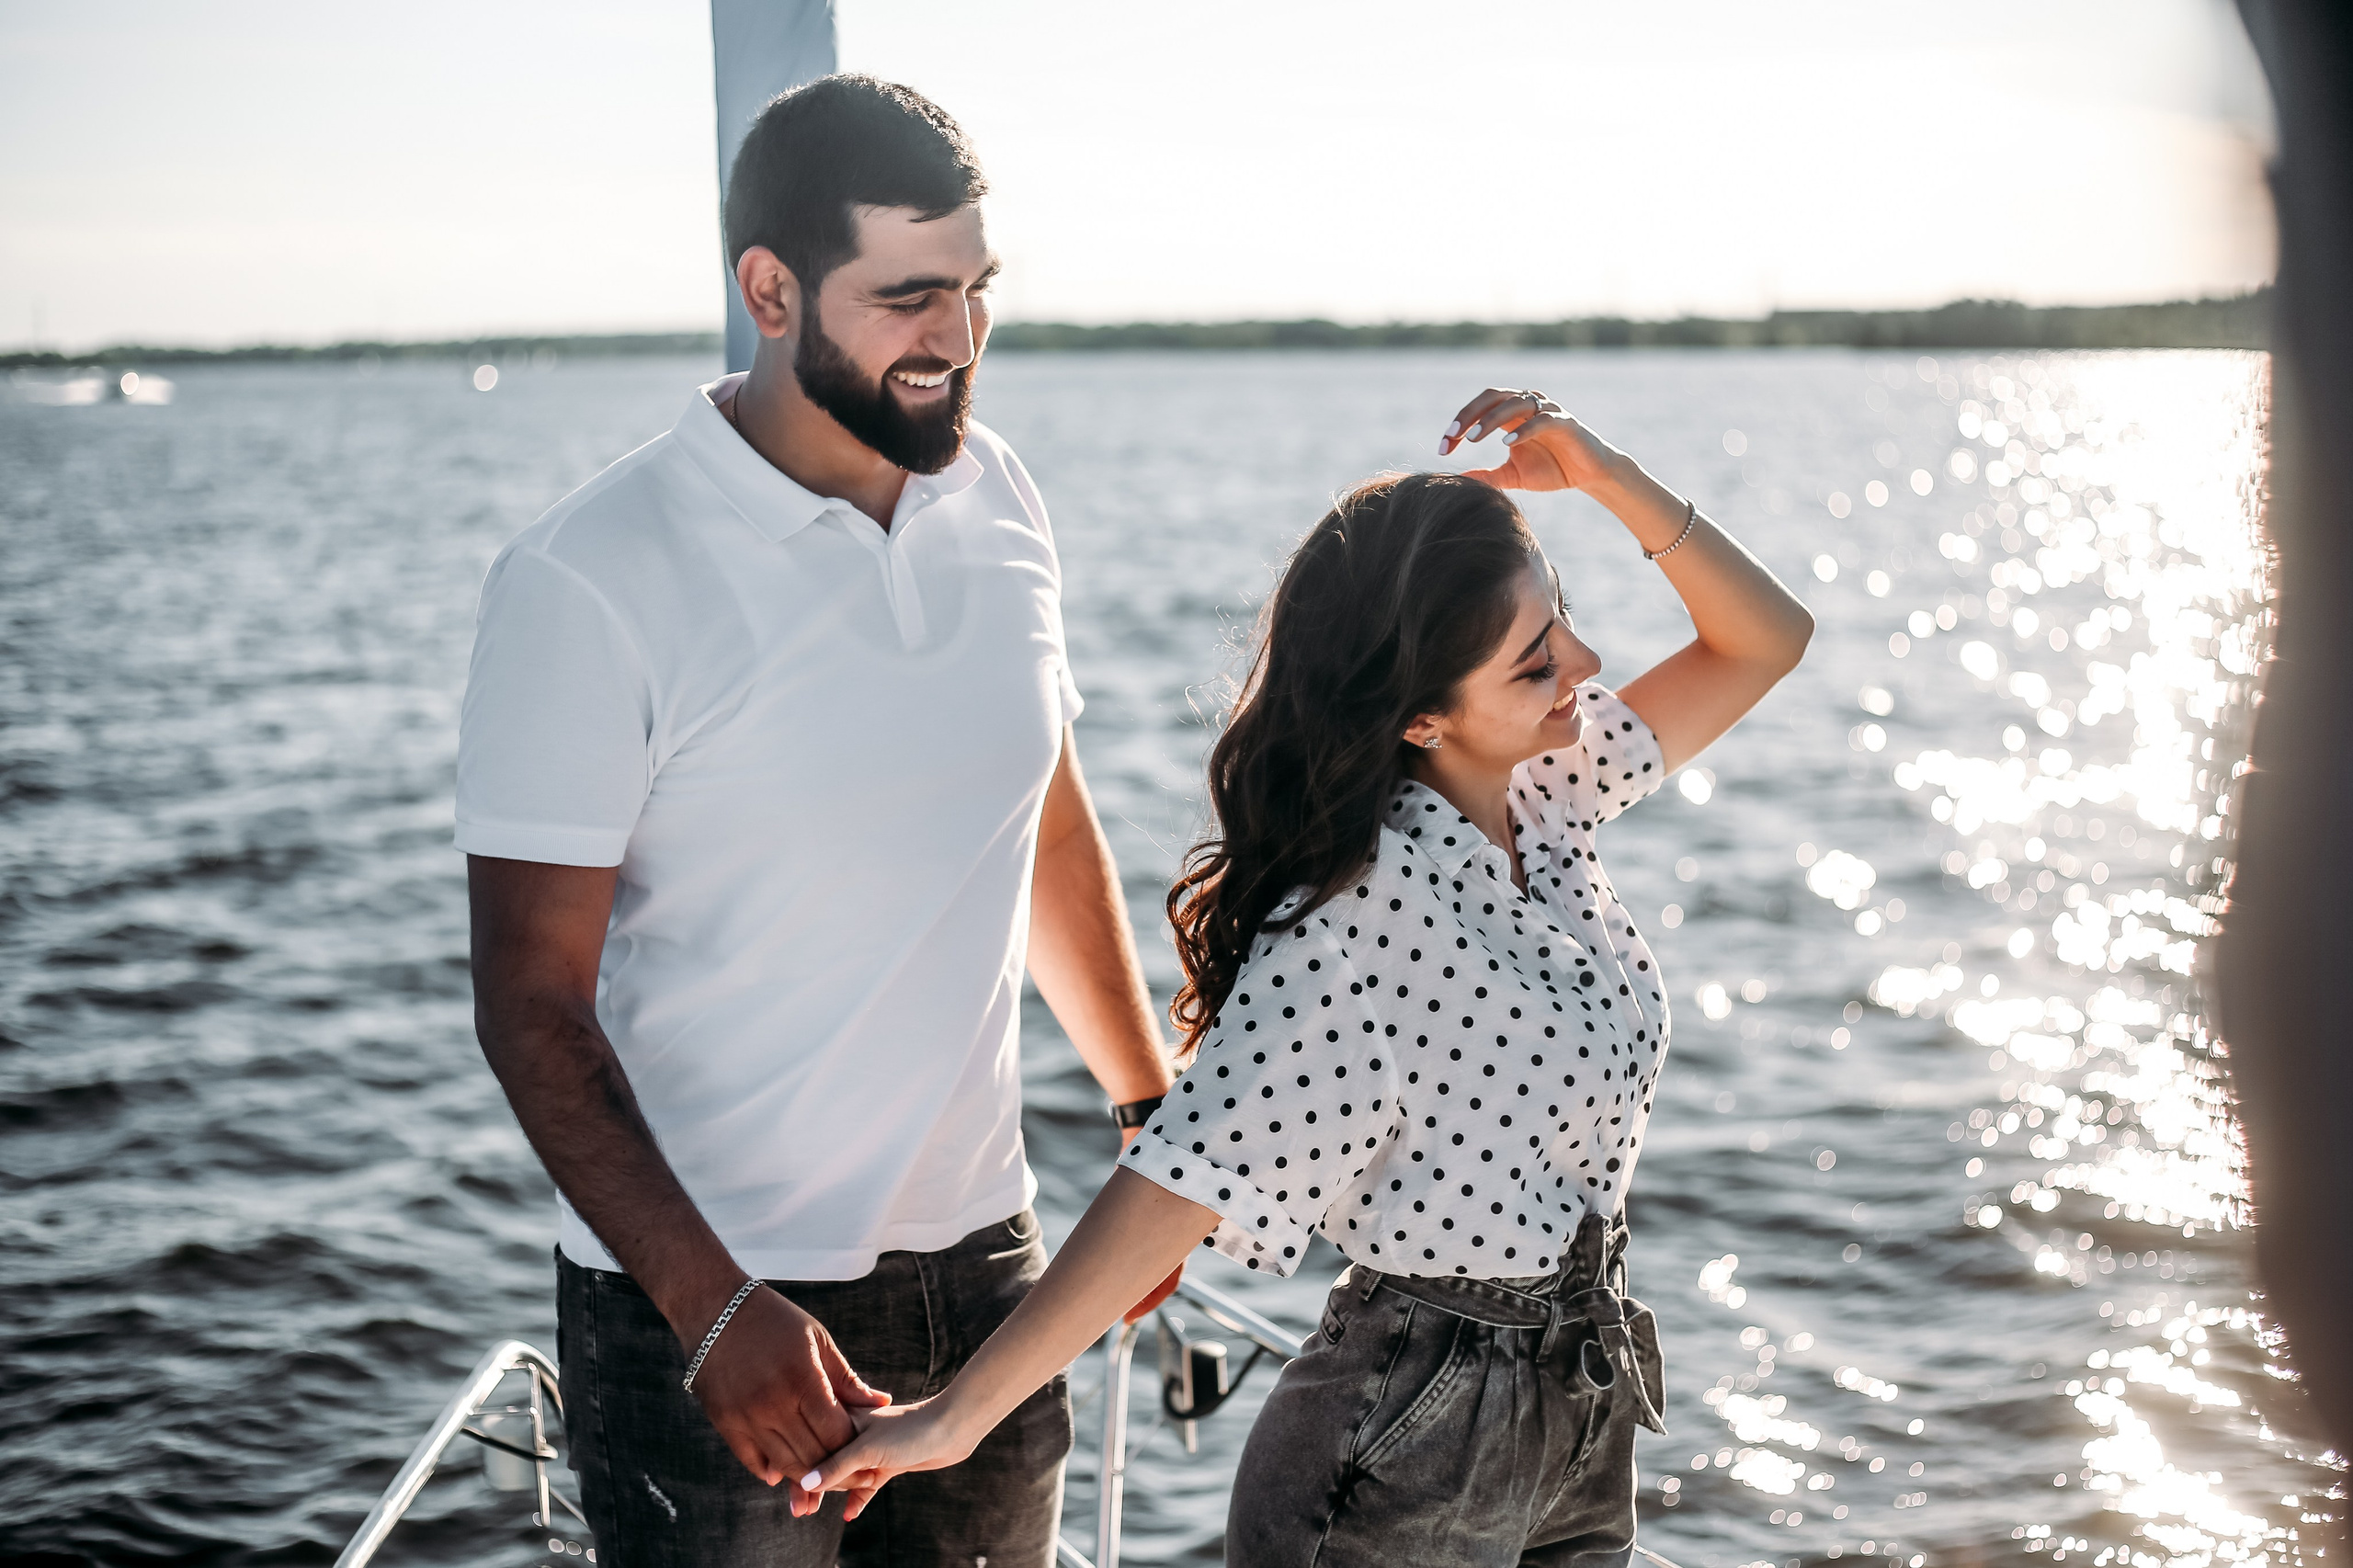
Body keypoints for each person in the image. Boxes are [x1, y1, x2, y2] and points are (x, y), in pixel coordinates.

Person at [808, 389, 1815, 1565]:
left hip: (1580, 1400)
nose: (1586, 668)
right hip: (1405, 1441)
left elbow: (1768, 639)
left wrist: (1604, 474)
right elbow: (1174, 1184)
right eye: (1536, 662)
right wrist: (951, 1419)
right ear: (1426, 722)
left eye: (1567, 624)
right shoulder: (1355, 920)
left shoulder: (1550, 790)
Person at [457, 75, 1176, 1568]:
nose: (958, 340)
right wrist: (714, 1306)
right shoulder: (592, 578)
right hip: (707, 1311)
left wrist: (1144, 1099)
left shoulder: (1006, 501)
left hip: (992, 1277)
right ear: (770, 290)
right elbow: (532, 1004)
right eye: (909, 297)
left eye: (978, 291)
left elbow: (1038, 813)